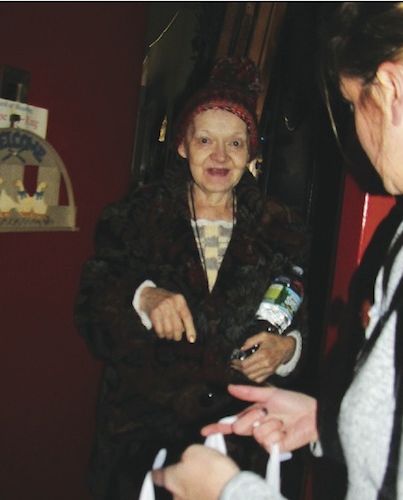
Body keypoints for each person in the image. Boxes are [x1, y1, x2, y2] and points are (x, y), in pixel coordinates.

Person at [152, 2, 403, 499]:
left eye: (351, 102)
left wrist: (228, 493)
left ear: (389, 90)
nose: (358, 133)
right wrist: (333, 422)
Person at [74, 56, 310, 500]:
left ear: (250, 152)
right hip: (143, 444)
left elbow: (298, 310)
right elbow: (91, 312)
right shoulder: (136, 217)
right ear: (183, 144)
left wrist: (288, 348)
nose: (220, 156)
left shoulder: (281, 226)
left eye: (235, 144)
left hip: (240, 440)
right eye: (205, 140)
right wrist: (143, 297)